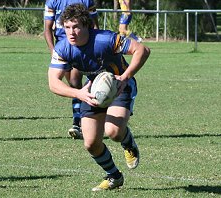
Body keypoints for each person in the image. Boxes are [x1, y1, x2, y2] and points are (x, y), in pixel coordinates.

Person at [48, 3, 150, 191]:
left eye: (76, 26)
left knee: (113, 132)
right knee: (91, 143)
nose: (71, 32)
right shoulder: (62, 48)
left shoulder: (106, 39)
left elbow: (142, 50)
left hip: (119, 86)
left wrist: (124, 78)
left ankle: (128, 142)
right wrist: (78, 93)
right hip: (93, 90)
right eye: (67, 27)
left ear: (86, 25)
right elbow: (53, 83)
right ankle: (114, 176)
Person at [44, 0, 99, 139]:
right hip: (63, 49)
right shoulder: (52, 1)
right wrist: (54, 52)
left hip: (83, 46)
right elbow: (47, 29)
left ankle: (79, 121)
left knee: (76, 81)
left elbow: (95, 25)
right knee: (73, 85)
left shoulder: (87, 1)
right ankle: (80, 120)